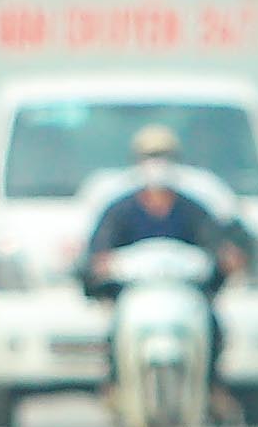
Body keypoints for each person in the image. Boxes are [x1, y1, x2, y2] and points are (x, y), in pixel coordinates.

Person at [75, 121, 248, 299]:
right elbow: (99, 252)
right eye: (149, 157)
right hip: (131, 297)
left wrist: (226, 257)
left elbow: (215, 246)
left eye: (165, 157)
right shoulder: (119, 211)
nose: (157, 164)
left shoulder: (192, 210)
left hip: (185, 297)